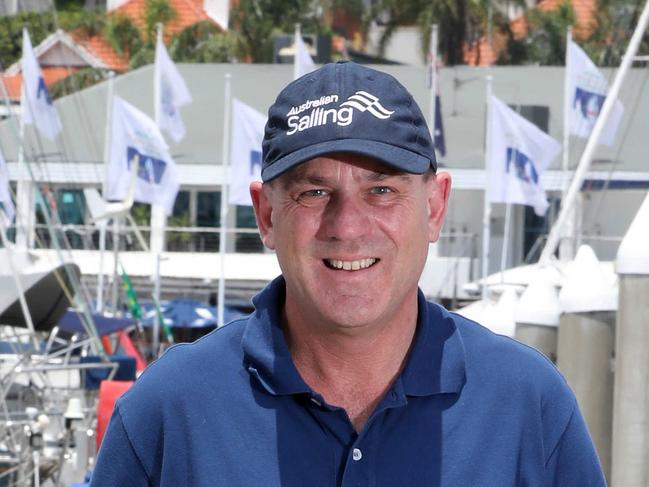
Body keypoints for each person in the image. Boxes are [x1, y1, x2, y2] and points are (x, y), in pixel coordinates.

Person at [90, 61, 605, 486]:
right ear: (267, 215)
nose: (348, 226)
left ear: (434, 208)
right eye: (313, 192)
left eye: (381, 190)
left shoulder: (527, 403)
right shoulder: (169, 409)